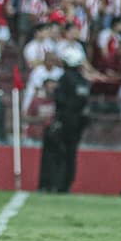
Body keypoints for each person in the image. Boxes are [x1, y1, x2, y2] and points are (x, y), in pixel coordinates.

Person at [38, 45, 91, 193]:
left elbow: (60, 100)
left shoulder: (64, 79)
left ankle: (51, 183)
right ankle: (66, 184)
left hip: (64, 121)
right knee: (71, 154)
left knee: (55, 153)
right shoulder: (83, 81)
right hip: (78, 123)